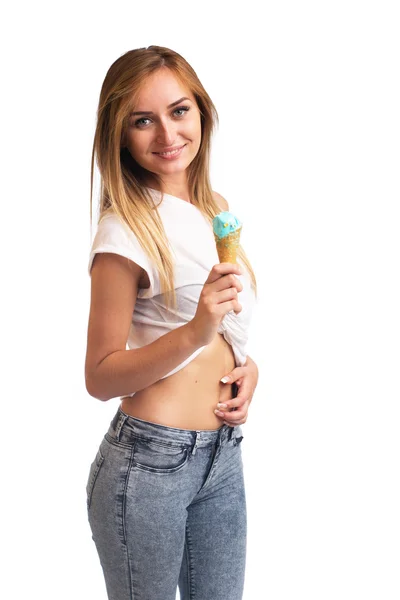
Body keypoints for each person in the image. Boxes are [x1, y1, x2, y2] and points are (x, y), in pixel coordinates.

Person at [85, 45, 259, 600]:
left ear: (201, 113)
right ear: (120, 136)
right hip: (149, 466)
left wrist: (247, 368)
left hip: (223, 460)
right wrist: (194, 333)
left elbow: (225, 329)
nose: (166, 134)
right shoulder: (123, 232)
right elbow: (100, 376)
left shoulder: (216, 209)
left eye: (179, 111)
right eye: (142, 120)